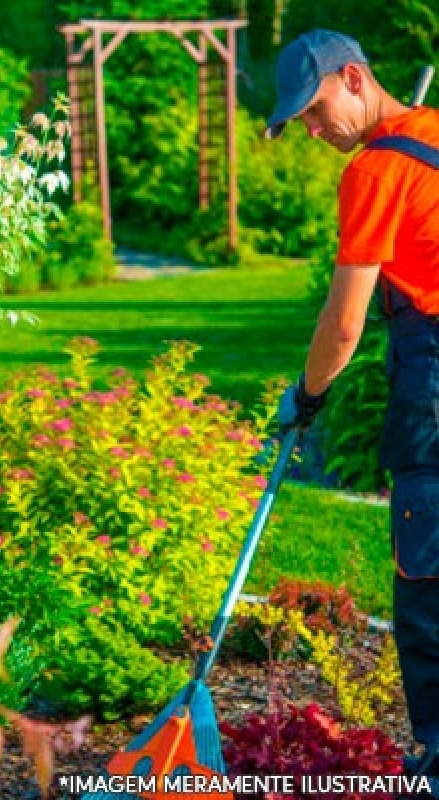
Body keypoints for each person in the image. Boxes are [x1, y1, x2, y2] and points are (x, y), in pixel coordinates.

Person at [268, 29, 439, 792]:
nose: (313, 130)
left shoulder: (374, 171)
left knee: (429, 584)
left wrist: (306, 396)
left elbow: (343, 324)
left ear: (354, 77)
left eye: (313, 110)